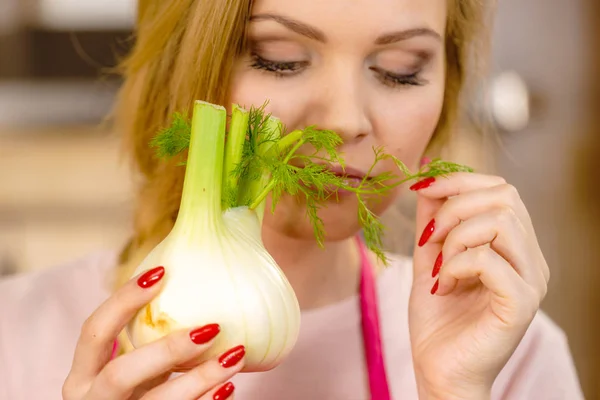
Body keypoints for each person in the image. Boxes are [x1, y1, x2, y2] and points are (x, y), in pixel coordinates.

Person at [0, 0, 585, 399]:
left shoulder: (509, 351)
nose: (343, 119)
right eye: (278, 58)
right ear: (181, 67)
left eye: (400, 70)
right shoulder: (17, 335)